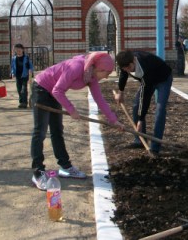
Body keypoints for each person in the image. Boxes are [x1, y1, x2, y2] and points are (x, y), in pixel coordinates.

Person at [30, 52, 124, 190]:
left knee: (57, 130)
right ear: (99, 68)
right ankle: (38, 173)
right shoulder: (76, 67)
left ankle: (65, 166)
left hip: (53, 92)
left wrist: (113, 120)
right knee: (40, 131)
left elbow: (100, 100)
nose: (107, 76)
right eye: (107, 73)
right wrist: (71, 109)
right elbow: (58, 90)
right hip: (42, 88)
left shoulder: (91, 76)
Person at [115, 50, 173, 156]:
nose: (127, 70)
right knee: (136, 106)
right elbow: (123, 75)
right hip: (148, 81)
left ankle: (155, 147)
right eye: (125, 68)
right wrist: (120, 92)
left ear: (133, 61)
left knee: (160, 110)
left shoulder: (145, 66)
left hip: (163, 79)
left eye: (129, 67)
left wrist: (141, 119)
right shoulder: (125, 63)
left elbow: (145, 96)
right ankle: (140, 140)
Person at [11, 43, 34, 108]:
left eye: (19, 49)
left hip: (24, 75)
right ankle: (21, 102)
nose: (18, 51)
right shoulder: (14, 58)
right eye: (17, 49)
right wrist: (12, 73)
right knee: (19, 89)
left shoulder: (26, 58)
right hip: (18, 76)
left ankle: (24, 103)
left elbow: (31, 66)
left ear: (22, 50)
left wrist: (30, 70)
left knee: (23, 89)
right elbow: (12, 67)